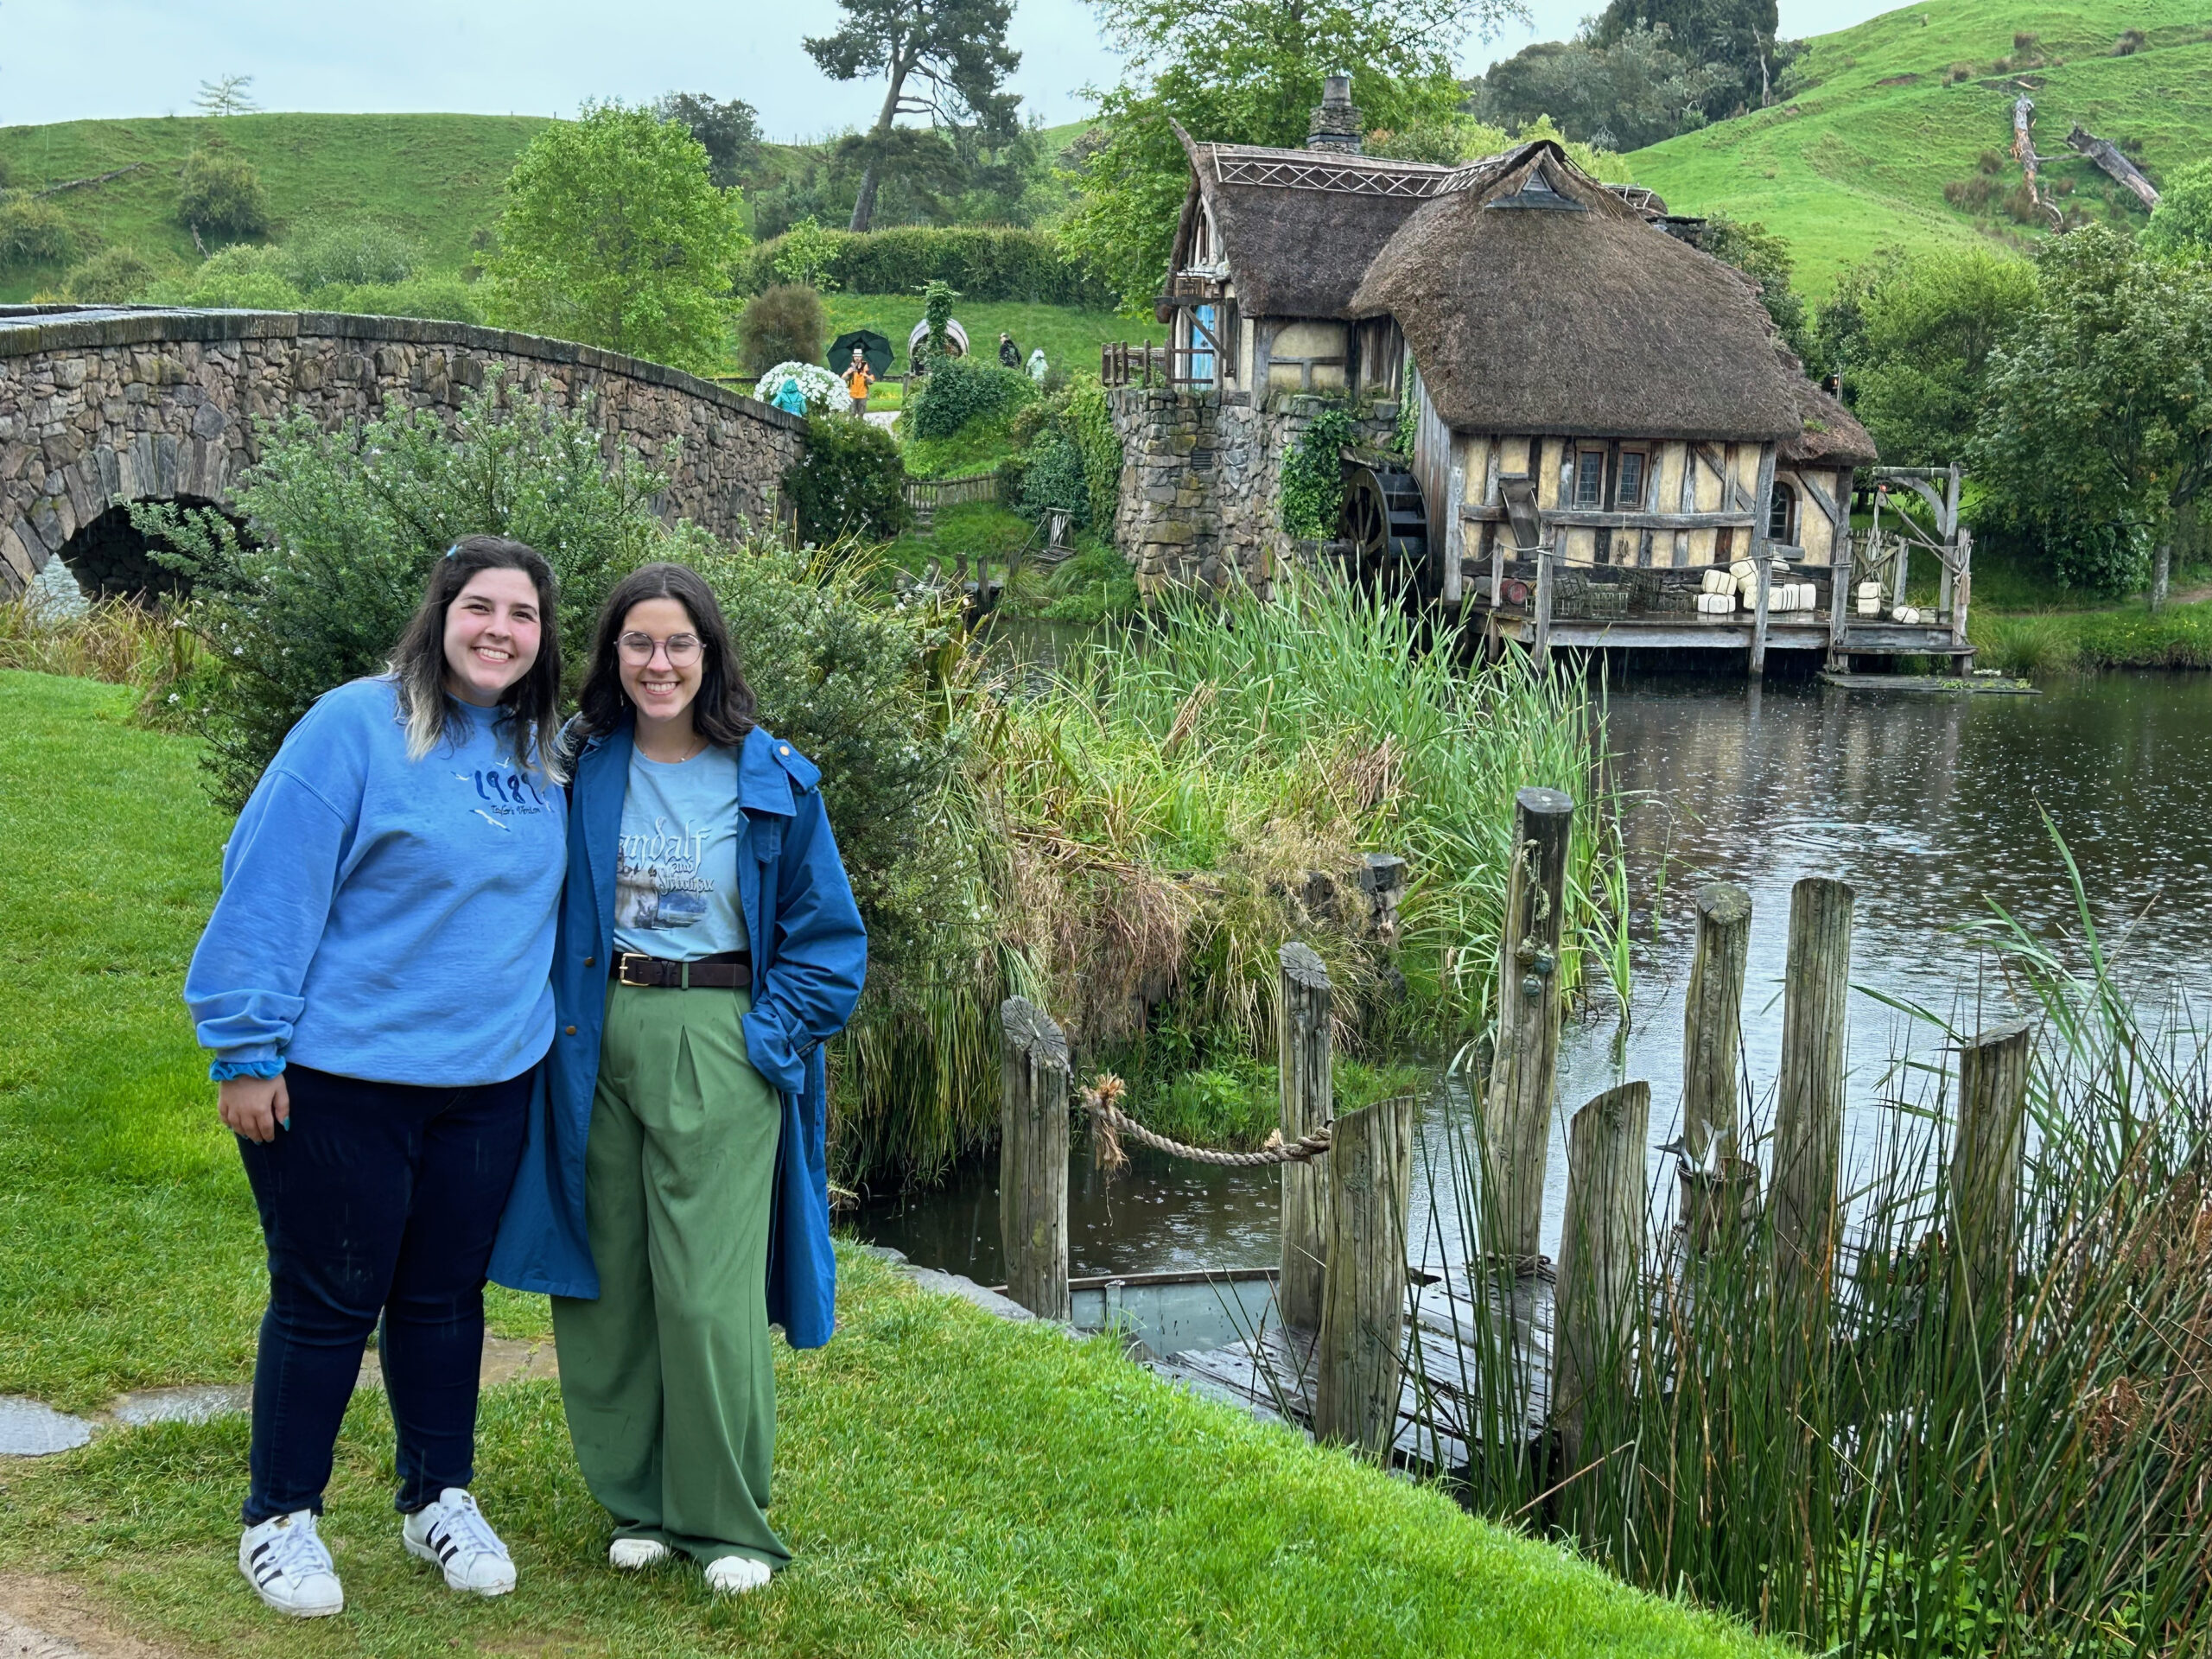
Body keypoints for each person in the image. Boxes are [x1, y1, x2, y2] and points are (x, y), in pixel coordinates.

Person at [185, 537, 568, 1618]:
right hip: (342, 1079)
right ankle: (281, 1521)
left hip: (488, 1085)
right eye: (480, 607)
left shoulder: (549, 750)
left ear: (544, 637)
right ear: (442, 612)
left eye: (523, 615)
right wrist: (246, 1050)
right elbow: (268, 886)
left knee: (444, 1299)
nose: (499, 629)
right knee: (326, 1300)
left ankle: (438, 1497)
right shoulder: (354, 725)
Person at [489, 563, 866, 1597]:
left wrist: (767, 1041)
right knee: (608, 1281)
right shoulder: (581, 767)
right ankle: (639, 1502)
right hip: (594, 1032)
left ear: (709, 657)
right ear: (612, 656)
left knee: (707, 1294)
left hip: (717, 1033)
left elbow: (829, 944)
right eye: (639, 644)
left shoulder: (771, 777)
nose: (659, 663)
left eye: (679, 644)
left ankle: (725, 1520)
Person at [842, 347, 875, 414]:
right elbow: (842, 380)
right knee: (852, 413)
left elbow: (871, 381)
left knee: (861, 414)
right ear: (853, 357)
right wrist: (848, 373)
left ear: (861, 357)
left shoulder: (866, 367)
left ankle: (860, 424)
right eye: (855, 356)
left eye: (858, 356)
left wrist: (865, 375)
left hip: (863, 394)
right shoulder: (850, 367)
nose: (857, 358)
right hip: (852, 394)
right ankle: (851, 425)